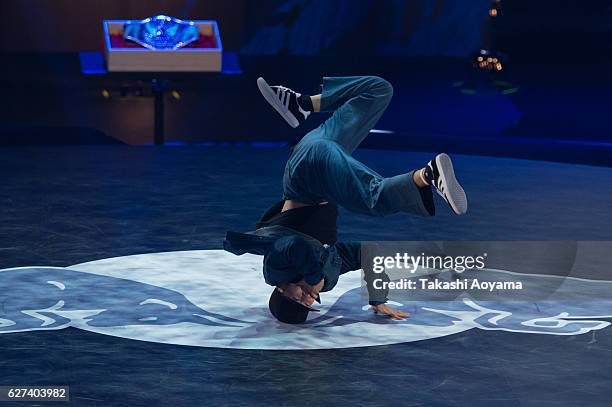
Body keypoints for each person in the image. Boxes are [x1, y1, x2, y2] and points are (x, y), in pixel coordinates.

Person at [223, 75, 467, 324]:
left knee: (374, 199)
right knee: (378, 90)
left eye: (296, 299)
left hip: (307, 177)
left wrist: (313, 277)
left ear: (280, 290)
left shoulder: (277, 268)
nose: (306, 299)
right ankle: (304, 104)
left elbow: (294, 247)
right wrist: (377, 298)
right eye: (308, 305)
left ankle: (427, 175)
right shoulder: (327, 274)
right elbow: (369, 253)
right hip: (316, 158)